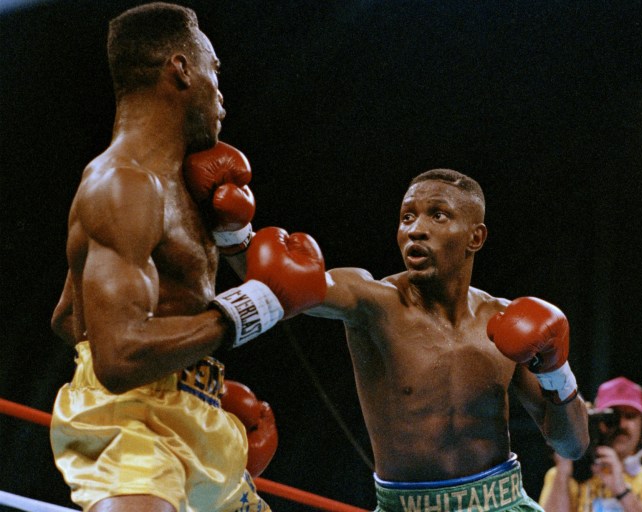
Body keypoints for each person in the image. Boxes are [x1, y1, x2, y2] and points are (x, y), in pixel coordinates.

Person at [48, 3, 326, 511]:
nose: (221, 94)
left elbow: (70, 319)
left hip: (191, 414)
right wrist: (252, 306)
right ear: (180, 69)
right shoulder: (124, 184)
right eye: (214, 71)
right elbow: (116, 357)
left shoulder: (180, 186)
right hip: (131, 430)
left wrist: (188, 374)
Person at [305, 168, 589, 512]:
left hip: (501, 502)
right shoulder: (372, 302)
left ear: (476, 238)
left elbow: (572, 445)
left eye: (438, 215)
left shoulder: (502, 320)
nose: (415, 229)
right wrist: (236, 235)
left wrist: (555, 369)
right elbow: (289, 284)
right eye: (407, 217)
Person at [538, 376, 642, 511]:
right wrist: (563, 471)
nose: (622, 425)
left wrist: (621, 490)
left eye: (630, 416)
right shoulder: (563, 476)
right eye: (612, 417)